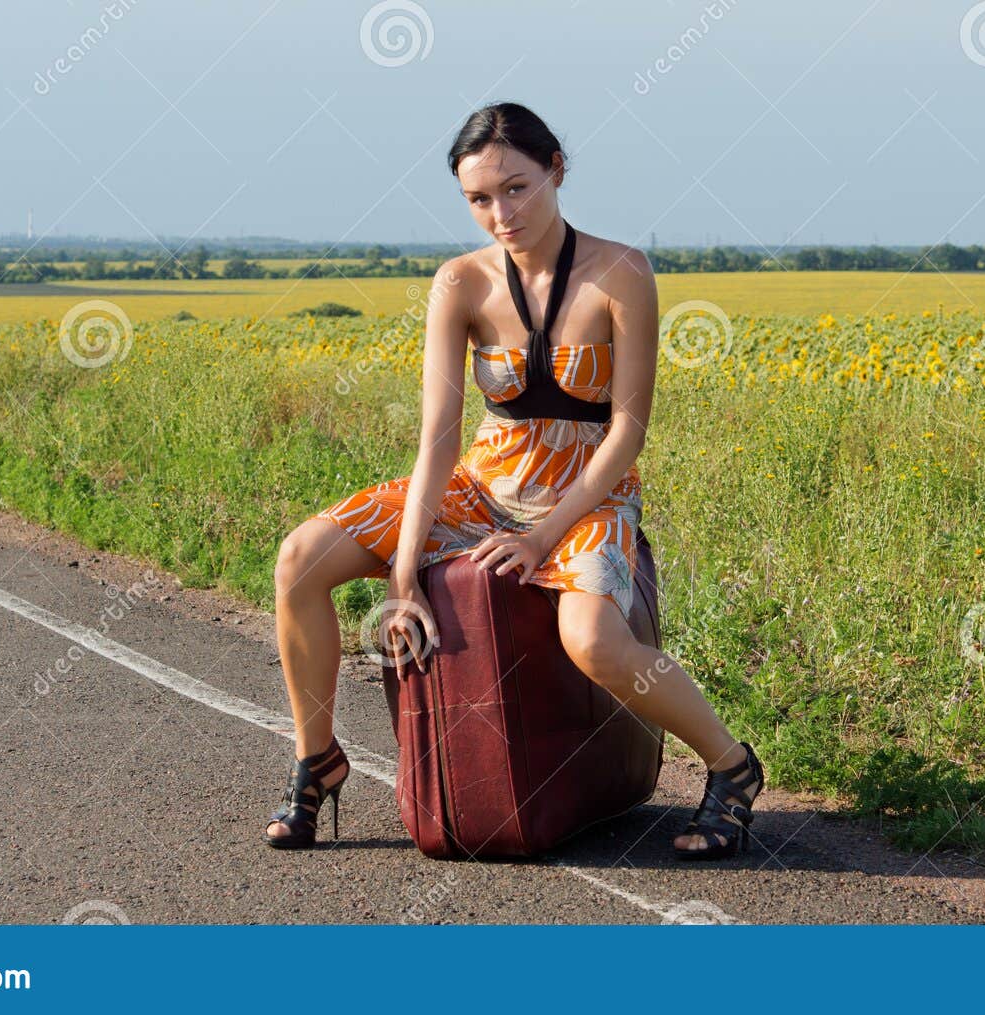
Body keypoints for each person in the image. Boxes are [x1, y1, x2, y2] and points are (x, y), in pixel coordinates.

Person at [263, 101, 763, 860]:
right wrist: (400, 578)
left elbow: (627, 430)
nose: (501, 213)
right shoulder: (459, 282)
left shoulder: (621, 271)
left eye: (518, 188)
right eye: (479, 199)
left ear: (557, 168)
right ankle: (318, 760)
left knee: (593, 639)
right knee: (300, 559)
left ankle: (732, 767)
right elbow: (438, 434)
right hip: (482, 483)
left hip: (586, 492)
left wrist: (542, 536)